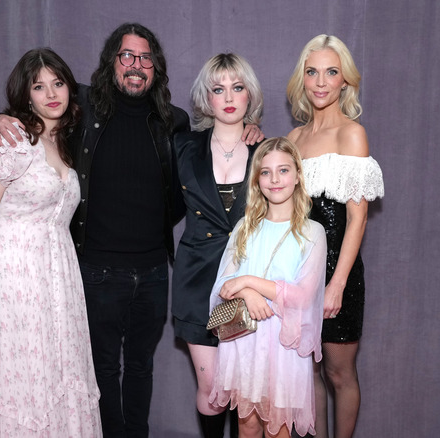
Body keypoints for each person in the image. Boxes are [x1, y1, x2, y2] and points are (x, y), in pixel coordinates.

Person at [0, 24, 261, 438]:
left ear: (156, 68)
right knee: (101, 370)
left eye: (145, 58)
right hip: (96, 270)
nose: (136, 65)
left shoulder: (174, 122)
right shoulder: (82, 107)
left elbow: (209, 156)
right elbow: (37, 106)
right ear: (112, 62)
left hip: (152, 271)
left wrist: (252, 131)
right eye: (127, 56)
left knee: (140, 368)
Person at [0, 47, 102, 437]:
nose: (51, 93)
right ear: (26, 95)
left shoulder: (65, 141)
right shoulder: (9, 142)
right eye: (39, 87)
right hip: (15, 277)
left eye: (58, 83)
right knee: (28, 374)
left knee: (60, 369)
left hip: (59, 276)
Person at [286, 35, 384, 438]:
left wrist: (337, 284)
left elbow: (358, 218)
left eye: (331, 72)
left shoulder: (352, 134)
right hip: (296, 275)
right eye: (312, 72)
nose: (321, 81)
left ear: (345, 80)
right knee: (305, 375)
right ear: (302, 79)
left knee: (338, 373)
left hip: (337, 276)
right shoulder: (293, 139)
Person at [208, 137, 327, 438]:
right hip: (244, 342)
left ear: (298, 175)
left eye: (284, 170)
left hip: (283, 350)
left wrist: (248, 282)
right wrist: (246, 293)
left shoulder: (312, 233)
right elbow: (222, 284)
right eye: (266, 172)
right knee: (246, 424)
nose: (275, 179)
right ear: (257, 179)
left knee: (278, 428)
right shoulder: (245, 227)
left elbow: (302, 296)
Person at [172, 53, 263, 438]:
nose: (228, 97)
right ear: (206, 98)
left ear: (249, 95)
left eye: (237, 87)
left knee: (244, 391)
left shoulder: (267, 151)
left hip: (246, 283)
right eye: (218, 88)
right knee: (212, 392)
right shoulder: (182, 146)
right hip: (196, 279)